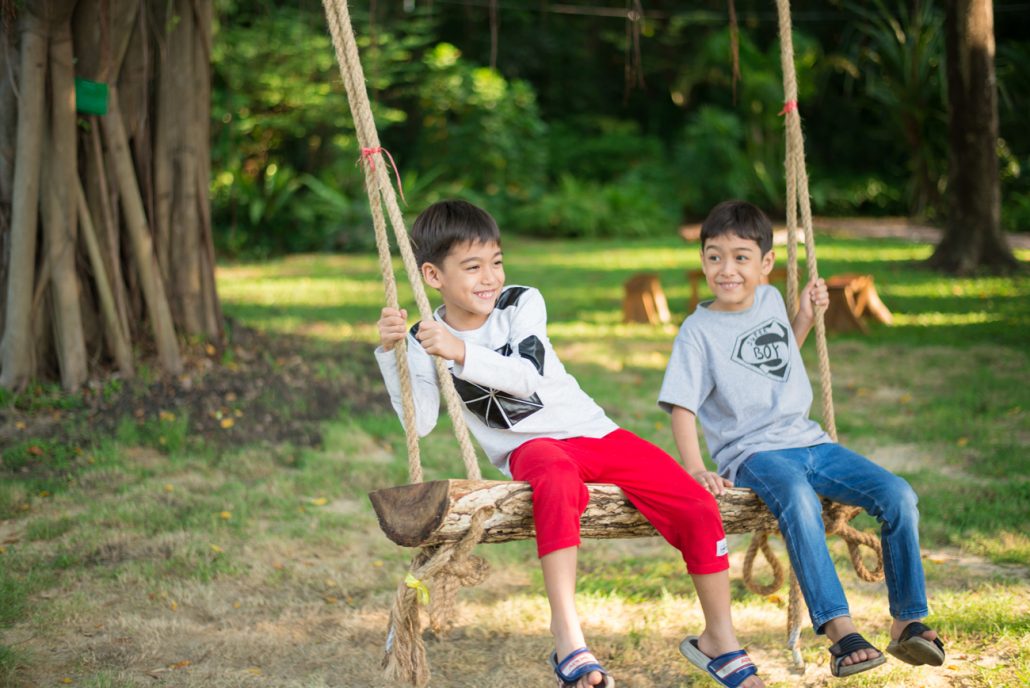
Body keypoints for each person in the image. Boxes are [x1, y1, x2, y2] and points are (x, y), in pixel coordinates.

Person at [375, 199, 764, 688]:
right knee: (555, 483)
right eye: (472, 267)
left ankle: (719, 638)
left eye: (496, 262)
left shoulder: (521, 302)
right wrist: (393, 355)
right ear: (433, 276)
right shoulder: (422, 338)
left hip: (593, 431)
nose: (489, 277)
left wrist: (460, 351)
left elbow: (527, 378)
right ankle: (568, 634)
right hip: (531, 449)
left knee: (692, 500)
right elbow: (423, 421)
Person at [659, 200, 945, 678]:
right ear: (703, 260)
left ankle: (908, 622)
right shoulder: (697, 332)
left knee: (898, 494)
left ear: (766, 264)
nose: (726, 269)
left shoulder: (771, 299)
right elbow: (682, 407)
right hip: (753, 453)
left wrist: (807, 317)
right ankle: (840, 631)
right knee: (797, 499)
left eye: (740, 257)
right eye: (714, 257)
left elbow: (779, 353)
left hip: (811, 441)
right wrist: (695, 467)